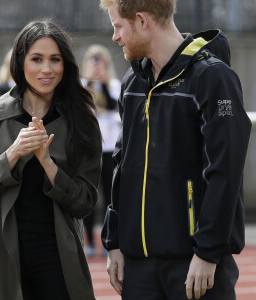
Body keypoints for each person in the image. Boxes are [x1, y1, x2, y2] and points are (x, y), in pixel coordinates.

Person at [99, 1, 252, 300]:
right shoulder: (133, 82)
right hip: (138, 266)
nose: (115, 37)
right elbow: (122, 162)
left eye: (118, 26)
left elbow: (225, 172)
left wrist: (207, 252)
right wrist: (114, 240)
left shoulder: (212, 78)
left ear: (142, 21)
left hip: (195, 264)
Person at [0, 18, 102, 300]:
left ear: (66, 65)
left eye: (55, 59)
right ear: (20, 62)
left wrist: (48, 164)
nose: (46, 69)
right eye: (36, 59)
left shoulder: (83, 122)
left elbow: (85, 203)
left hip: (58, 256)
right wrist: (13, 153)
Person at [82, 44, 121, 257]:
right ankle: (88, 241)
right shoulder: (82, 85)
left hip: (109, 149)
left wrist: (103, 83)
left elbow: (115, 106)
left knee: (109, 196)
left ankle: (108, 240)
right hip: (89, 148)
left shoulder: (113, 85)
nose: (96, 66)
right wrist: (90, 81)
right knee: (89, 197)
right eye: (92, 61)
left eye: (100, 62)